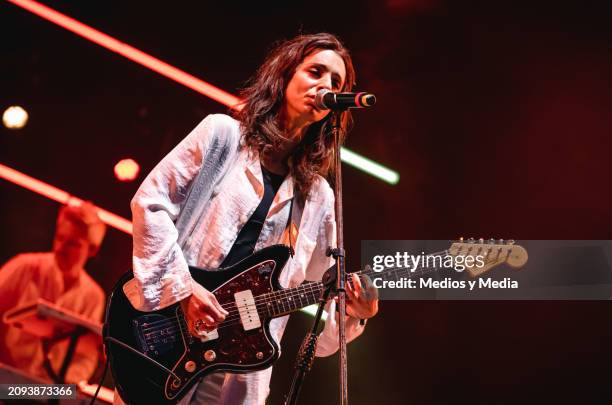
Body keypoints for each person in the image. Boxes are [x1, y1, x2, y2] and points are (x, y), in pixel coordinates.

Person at [122, 32, 378, 404]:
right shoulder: (221, 135)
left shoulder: (319, 196)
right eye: (316, 72)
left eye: (336, 82)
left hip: (241, 372)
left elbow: (323, 289)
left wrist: (356, 312)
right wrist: (184, 288)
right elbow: (150, 204)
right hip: (169, 336)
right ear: (285, 74)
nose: (326, 85)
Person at [0, 201, 107, 384]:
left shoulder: (94, 297)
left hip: (43, 391)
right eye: (59, 238)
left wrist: (61, 388)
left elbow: (86, 358)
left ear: (92, 250)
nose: (60, 248)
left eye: (72, 244)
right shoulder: (24, 267)